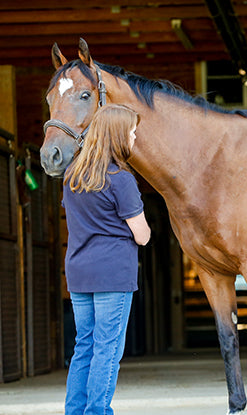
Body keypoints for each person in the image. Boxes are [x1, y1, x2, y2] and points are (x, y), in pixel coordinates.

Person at [62, 103, 151, 415]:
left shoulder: (71, 177)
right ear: (117, 135)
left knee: (83, 345)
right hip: (112, 274)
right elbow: (142, 235)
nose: (135, 136)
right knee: (107, 347)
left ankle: (76, 411)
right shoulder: (121, 179)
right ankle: (98, 411)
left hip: (78, 272)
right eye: (131, 131)